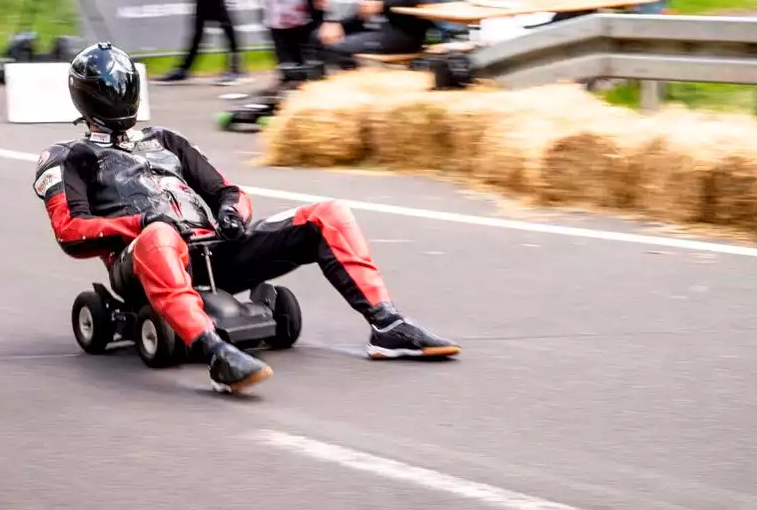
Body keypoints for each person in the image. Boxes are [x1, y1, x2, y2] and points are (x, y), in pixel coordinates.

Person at [34, 43, 460, 393]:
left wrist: (232, 214)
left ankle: (388, 326)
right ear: (89, 95)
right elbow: (70, 232)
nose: (119, 96)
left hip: (216, 253)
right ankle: (215, 353)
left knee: (329, 213)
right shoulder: (69, 157)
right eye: (110, 90)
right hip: (141, 260)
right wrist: (141, 225)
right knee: (162, 234)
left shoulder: (165, 140)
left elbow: (228, 191)